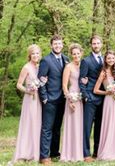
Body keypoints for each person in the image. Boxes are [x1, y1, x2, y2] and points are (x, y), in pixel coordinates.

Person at [38, 35, 68, 164]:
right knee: (47, 128)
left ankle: (55, 153)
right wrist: (44, 97)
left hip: (62, 99)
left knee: (57, 128)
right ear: (51, 45)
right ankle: (44, 156)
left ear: (62, 45)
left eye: (59, 44)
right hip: (50, 99)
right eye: (55, 44)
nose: (57, 46)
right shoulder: (46, 60)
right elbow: (41, 80)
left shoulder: (66, 59)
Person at [11, 44, 43, 163]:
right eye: (33, 53)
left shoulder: (40, 67)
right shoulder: (26, 67)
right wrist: (28, 91)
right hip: (30, 100)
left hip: (38, 99)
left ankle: (35, 152)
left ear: (40, 55)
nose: (35, 55)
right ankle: (25, 152)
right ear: (29, 55)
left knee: (37, 124)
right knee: (29, 124)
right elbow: (19, 85)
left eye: (37, 53)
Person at [94, 50, 115, 161]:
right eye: (108, 58)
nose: (111, 60)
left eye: (112, 58)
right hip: (109, 101)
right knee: (109, 124)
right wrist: (107, 92)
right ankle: (107, 151)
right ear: (105, 60)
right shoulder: (104, 72)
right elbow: (96, 90)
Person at [79, 35, 104, 162]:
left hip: (103, 99)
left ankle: (97, 152)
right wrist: (86, 96)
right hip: (90, 99)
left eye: (98, 43)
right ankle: (86, 153)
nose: (96, 45)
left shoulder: (106, 59)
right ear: (91, 45)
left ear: (101, 44)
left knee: (100, 127)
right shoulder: (86, 61)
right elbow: (82, 81)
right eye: (94, 43)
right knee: (87, 127)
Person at [60, 43, 84, 162]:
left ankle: (79, 152)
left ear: (81, 53)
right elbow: (64, 85)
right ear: (71, 54)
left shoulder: (83, 65)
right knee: (72, 124)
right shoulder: (68, 67)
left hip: (81, 97)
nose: (76, 56)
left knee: (80, 125)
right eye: (73, 54)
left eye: (78, 53)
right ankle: (70, 153)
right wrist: (69, 99)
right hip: (72, 96)